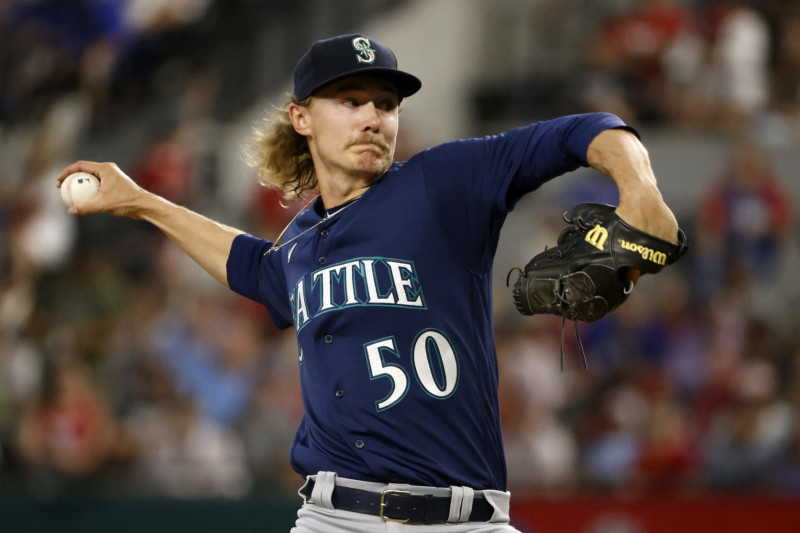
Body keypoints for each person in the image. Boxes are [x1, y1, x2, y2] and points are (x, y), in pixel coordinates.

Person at [58, 34, 680, 532]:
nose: (372, 117)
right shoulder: (299, 242)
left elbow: (584, 130)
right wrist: (141, 203)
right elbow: (253, 267)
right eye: (349, 101)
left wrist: (640, 188)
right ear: (302, 117)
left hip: (465, 521)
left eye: (384, 103)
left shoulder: (441, 184)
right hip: (334, 517)